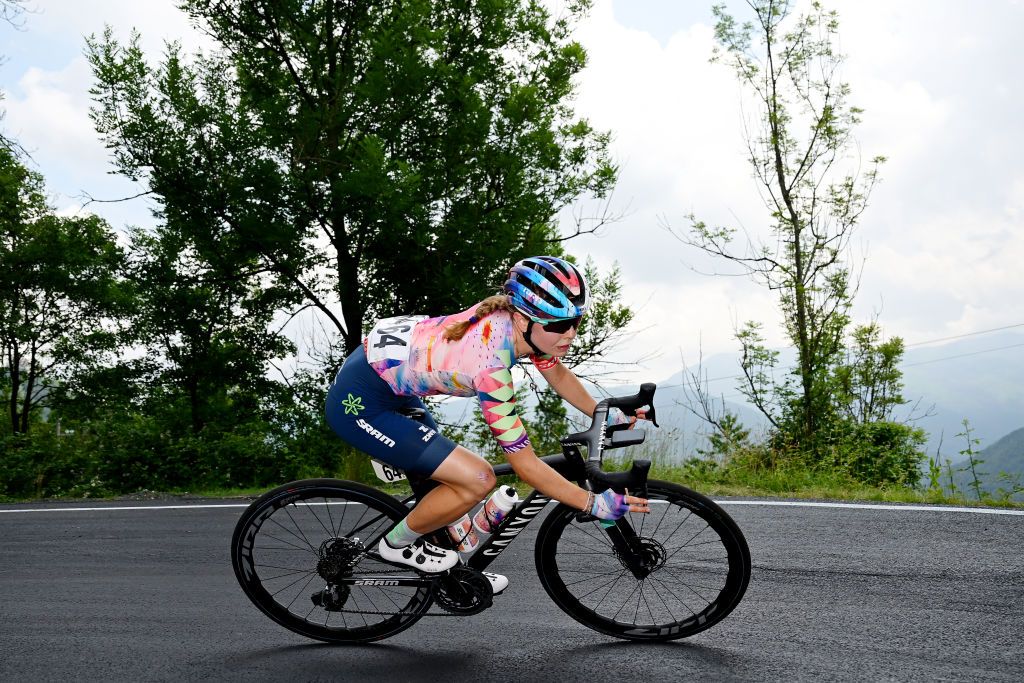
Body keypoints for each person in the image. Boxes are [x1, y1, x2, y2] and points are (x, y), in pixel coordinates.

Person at [325, 256, 649, 595]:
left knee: (448, 481)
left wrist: (607, 412)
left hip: (386, 376)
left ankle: (455, 572)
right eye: (557, 326)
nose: (569, 334)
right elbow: (526, 466)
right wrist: (590, 503)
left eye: (575, 321)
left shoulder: (519, 325)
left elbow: (556, 373)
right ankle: (396, 544)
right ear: (523, 318)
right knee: (478, 479)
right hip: (362, 402)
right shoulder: (490, 366)